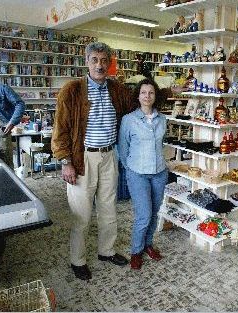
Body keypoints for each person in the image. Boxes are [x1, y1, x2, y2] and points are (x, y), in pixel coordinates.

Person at [51, 42, 136, 280]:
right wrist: (65, 162)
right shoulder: (72, 90)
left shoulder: (118, 90)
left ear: (110, 64)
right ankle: (77, 260)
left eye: (104, 61)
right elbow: (60, 130)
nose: (100, 65)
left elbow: (134, 112)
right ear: (87, 62)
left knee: (109, 209)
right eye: (95, 60)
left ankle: (106, 251)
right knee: (82, 213)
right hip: (82, 158)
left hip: (110, 155)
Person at [118, 78, 168, 270]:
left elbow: (160, 145)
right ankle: (136, 251)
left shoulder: (162, 119)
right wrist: (130, 169)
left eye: (151, 93)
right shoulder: (129, 120)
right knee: (144, 215)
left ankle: (148, 245)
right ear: (138, 96)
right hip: (137, 174)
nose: (147, 96)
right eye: (143, 93)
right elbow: (123, 149)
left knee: (154, 213)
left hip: (159, 173)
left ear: (155, 96)